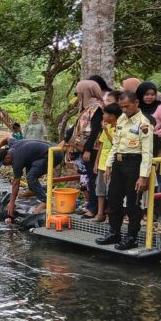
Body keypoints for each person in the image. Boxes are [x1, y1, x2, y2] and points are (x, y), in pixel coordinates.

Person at [96, 90, 153, 250]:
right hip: (118, 164)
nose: (125, 110)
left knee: (133, 203)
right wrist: (108, 165)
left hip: (134, 164)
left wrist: (143, 176)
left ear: (136, 103)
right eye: (122, 107)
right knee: (113, 198)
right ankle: (115, 233)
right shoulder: (121, 118)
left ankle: (131, 237)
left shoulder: (144, 123)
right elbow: (116, 144)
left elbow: (147, 153)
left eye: (127, 106)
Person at [0, 137, 64, 217]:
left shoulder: (17, 159)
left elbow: (16, 182)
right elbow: (7, 139)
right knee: (28, 163)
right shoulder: (13, 145)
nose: (5, 165)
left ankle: (46, 202)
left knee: (31, 177)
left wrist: (12, 202)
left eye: (4, 163)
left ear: (7, 158)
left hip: (54, 154)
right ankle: (32, 190)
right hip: (51, 150)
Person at [69, 80, 106, 218]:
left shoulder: (96, 107)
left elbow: (96, 130)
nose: (78, 95)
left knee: (93, 179)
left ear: (86, 92)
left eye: (79, 92)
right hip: (87, 148)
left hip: (93, 148)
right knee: (90, 178)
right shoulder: (88, 107)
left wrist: (88, 149)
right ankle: (92, 205)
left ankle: (94, 208)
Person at [92, 102, 122, 222]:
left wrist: (106, 130)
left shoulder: (119, 127)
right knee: (100, 189)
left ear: (112, 116)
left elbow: (116, 142)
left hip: (113, 163)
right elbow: (101, 145)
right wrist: (96, 162)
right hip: (102, 163)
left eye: (105, 114)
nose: (103, 116)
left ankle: (111, 215)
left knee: (112, 190)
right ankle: (100, 213)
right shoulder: (107, 127)